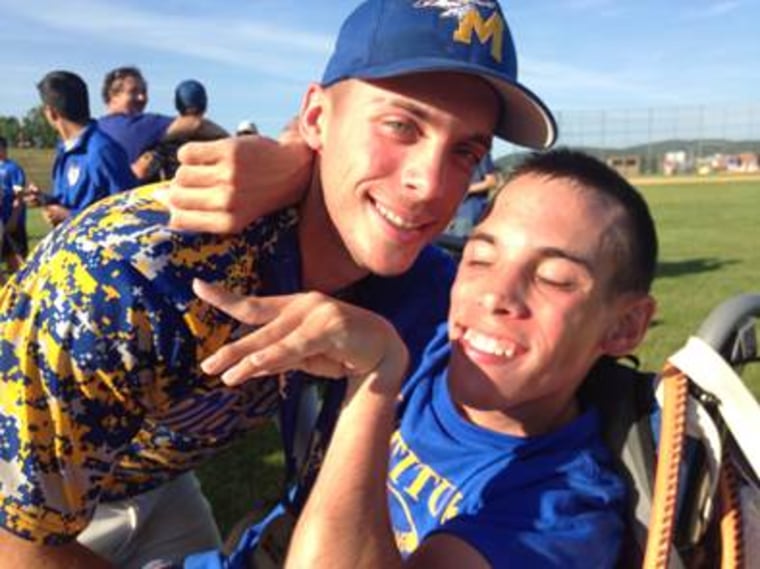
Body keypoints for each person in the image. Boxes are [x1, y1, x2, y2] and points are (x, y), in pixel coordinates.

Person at [0, 1, 555, 567]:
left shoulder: (410, 275)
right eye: (400, 125)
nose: (430, 185)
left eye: (466, 150)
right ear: (316, 119)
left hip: (157, 480)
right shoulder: (126, 277)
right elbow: (19, 546)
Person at [195, 149, 658, 568]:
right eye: (480, 258)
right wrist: (296, 159)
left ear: (625, 327)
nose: (496, 294)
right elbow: (352, 193)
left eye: (555, 278)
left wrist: (375, 381)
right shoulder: (423, 310)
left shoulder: (563, 517)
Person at [22, 70, 137, 227]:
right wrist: (44, 199)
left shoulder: (102, 150)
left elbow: (131, 210)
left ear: (51, 113)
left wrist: (70, 216)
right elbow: (69, 201)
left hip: (99, 250)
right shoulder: (64, 149)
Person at [97, 66, 227, 182]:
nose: (142, 97)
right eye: (134, 91)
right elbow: (196, 124)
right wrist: (234, 141)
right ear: (113, 95)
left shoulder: (95, 130)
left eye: (143, 92)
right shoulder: (145, 125)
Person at [150, 79, 225, 180]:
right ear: (205, 104)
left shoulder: (164, 139)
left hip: (176, 192)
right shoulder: (219, 139)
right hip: (211, 192)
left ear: (177, 104)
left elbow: (146, 169)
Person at [444, 152, 499, 238]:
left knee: (459, 242)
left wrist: (465, 189)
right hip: (451, 209)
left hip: (469, 210)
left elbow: (491, 182)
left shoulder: (481, 154)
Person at [0, 136, 28, 274]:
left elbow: (19, 196)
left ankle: (24, 291)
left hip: (12, 222)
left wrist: (14, 218)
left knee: (17, 261)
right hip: (1, 223)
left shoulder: (13, 168)